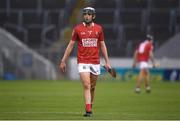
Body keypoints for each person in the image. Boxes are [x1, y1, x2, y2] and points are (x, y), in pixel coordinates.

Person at [59, 7, 111, 117]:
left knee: (92, 87)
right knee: (87, 85)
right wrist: (63, 60)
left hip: (95, 62)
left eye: (89, 14)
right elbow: (70, 45)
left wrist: (107, 62)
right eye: (85, 14)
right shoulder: (77, 29)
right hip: (82, 62)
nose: (86, 16)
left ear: (93, 16)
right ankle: (88, 111)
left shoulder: (99, 29)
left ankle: (90, 104)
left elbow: (102, 45)